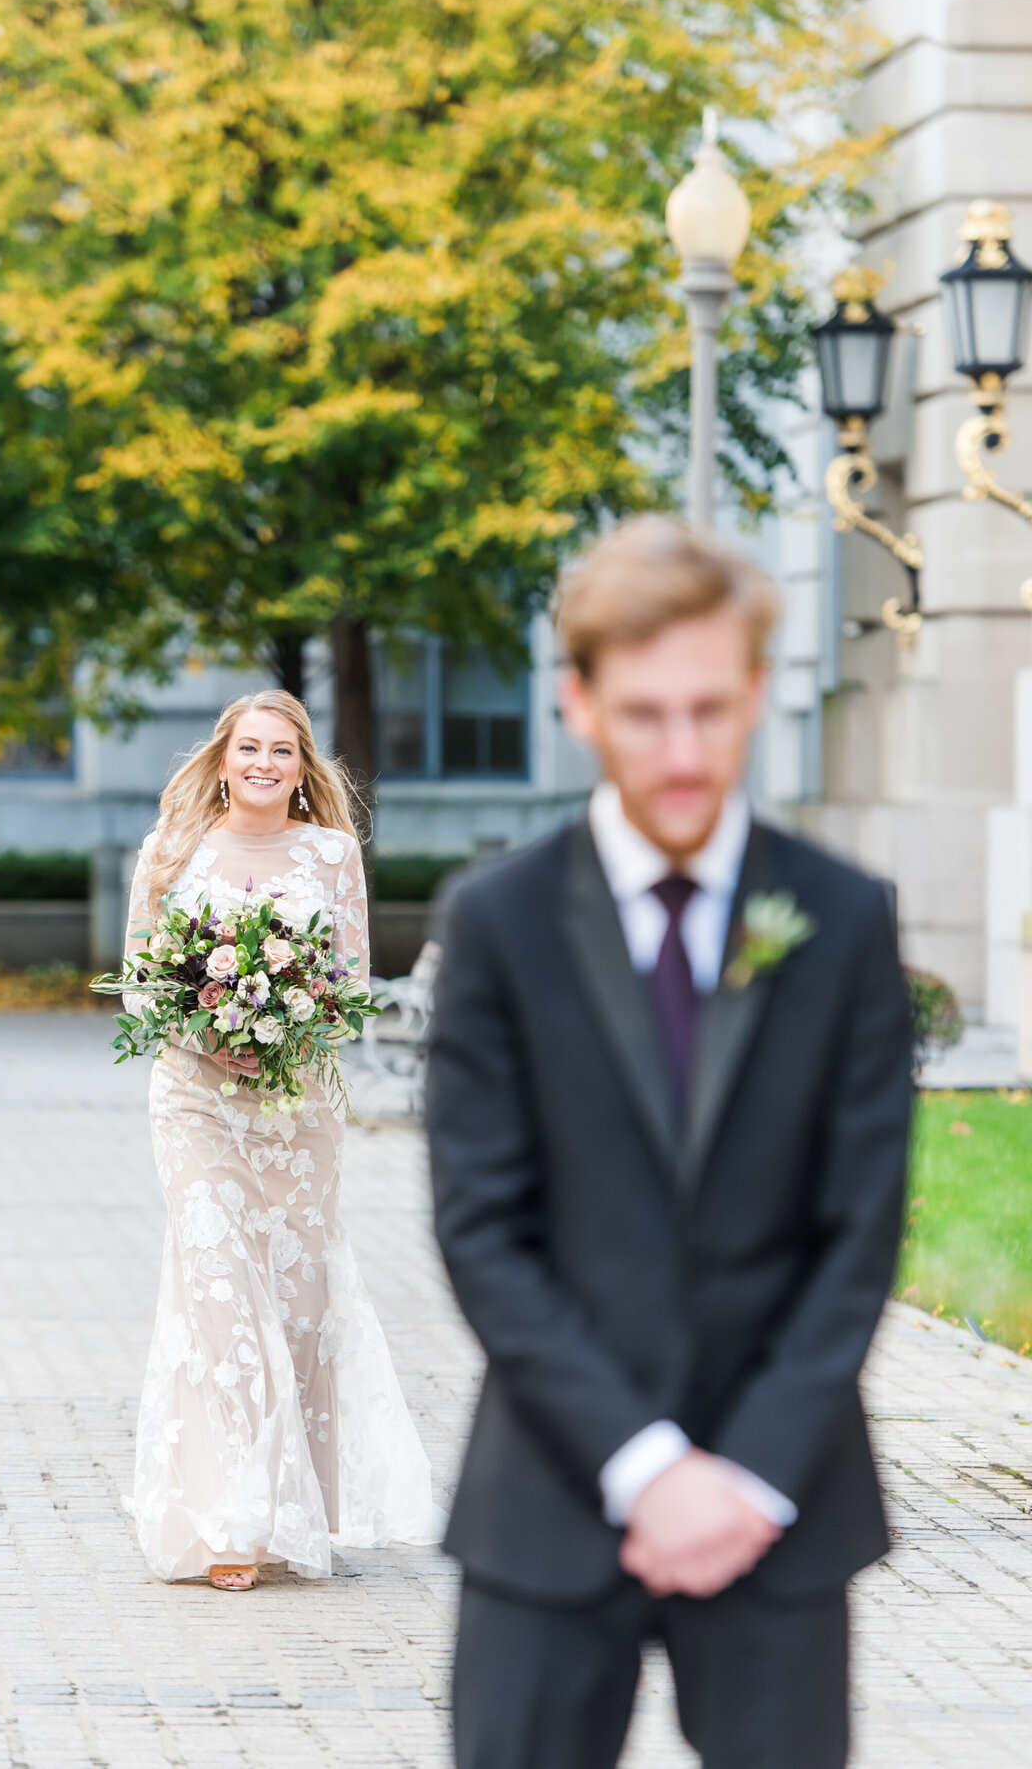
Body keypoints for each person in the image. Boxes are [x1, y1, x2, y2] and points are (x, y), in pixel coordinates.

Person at [425, 518, 912, 1768]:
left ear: (758, 691)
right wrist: (645, 1466)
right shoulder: (501, 920)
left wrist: (742, 1475)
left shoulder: (846, 918)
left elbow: (858, 1231)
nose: (684, 753)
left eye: (711, 708)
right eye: (646, 714)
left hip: (782, 1505)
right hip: (549, 1493)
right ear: (577, 701)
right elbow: (483, 1226)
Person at [123, 690, 441, 1591]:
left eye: (284, 751)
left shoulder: (332, 854)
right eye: (250, 748)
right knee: (220, 1293)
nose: (265, 764)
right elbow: (143, 987)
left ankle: (289, 1502)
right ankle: (231, 1520)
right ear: (223, 757)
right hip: (194, 1102)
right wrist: (211, 1034)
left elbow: (346, 987)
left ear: (304, 769)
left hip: (296, 1112)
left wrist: (285, 1033)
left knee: (297, 1309)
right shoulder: (171, 852)